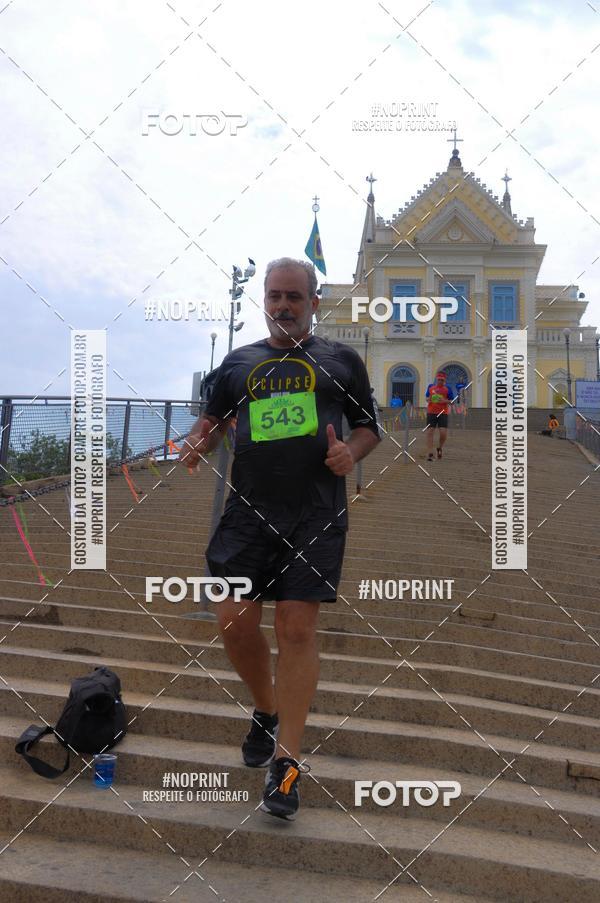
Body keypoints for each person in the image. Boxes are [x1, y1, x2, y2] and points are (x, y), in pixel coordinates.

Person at [179, 257, 381, 820]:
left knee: (295, 626)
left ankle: (286, 765)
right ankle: (265, 710)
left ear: (315, 302)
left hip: (315, 514)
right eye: (274, 296)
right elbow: (213, 422)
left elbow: (369, 428)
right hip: (247, 514)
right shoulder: (239, 362)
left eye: (295, 296)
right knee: (233, 621)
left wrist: (350, 453)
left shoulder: (340, 360)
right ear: (264, 301)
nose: (284, 305)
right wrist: (198, 443)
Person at [425, 371, 454, 461]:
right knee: (430, 432)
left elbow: (452, 401)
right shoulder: (430, 387)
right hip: (431, 412)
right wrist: (429, 399)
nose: (440, 381)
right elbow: (426, 398)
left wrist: (444, 400)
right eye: (439, 380)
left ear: (445, 380)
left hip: (443, 413)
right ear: (436, 379)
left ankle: (439, 447)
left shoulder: (448, 388)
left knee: (443, 433)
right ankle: (430, 452)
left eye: (442, 380)